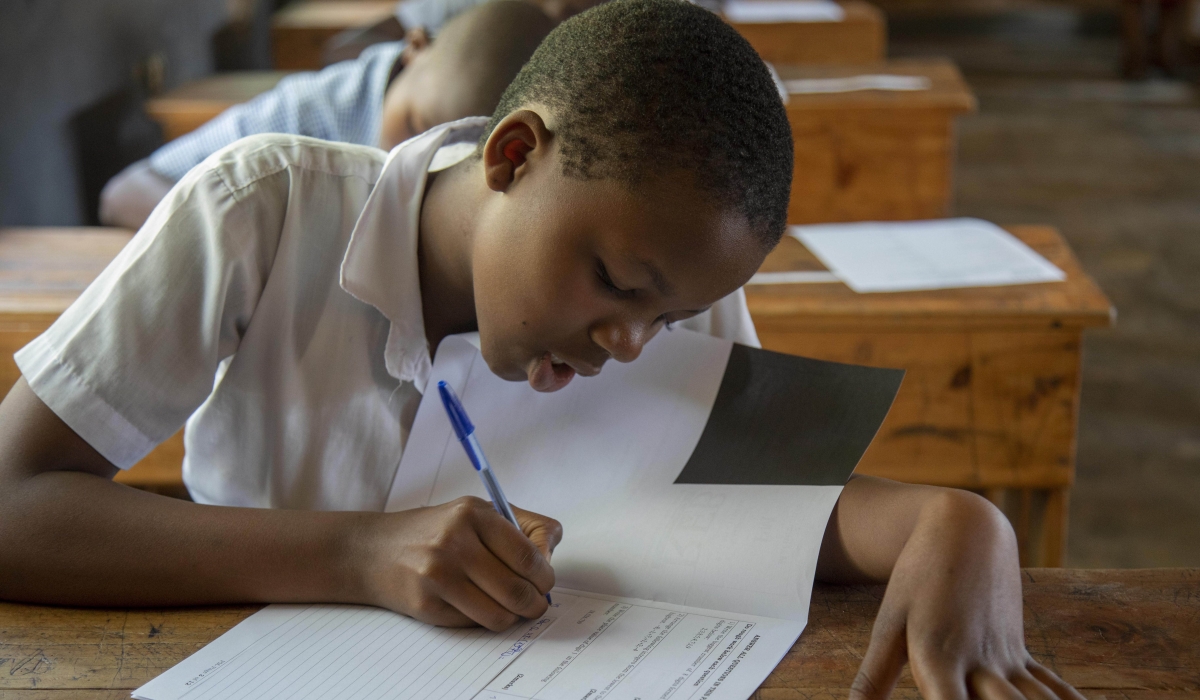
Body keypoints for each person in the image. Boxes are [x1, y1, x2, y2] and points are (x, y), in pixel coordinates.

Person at [0, 2, 1085, 699]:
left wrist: (958, 521)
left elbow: (770, 506)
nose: (631, 344)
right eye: (613, 284)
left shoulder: (668, 293)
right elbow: (11, 502)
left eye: (668, 319)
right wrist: (358, 556)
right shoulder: (262, 213)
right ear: (513, 154)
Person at [98, 0, 554, 230]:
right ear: (413, 48)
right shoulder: (317, 107)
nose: (409, 158)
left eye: (445, 158)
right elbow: (125, 194)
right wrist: (262, 235)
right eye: (414, 127)